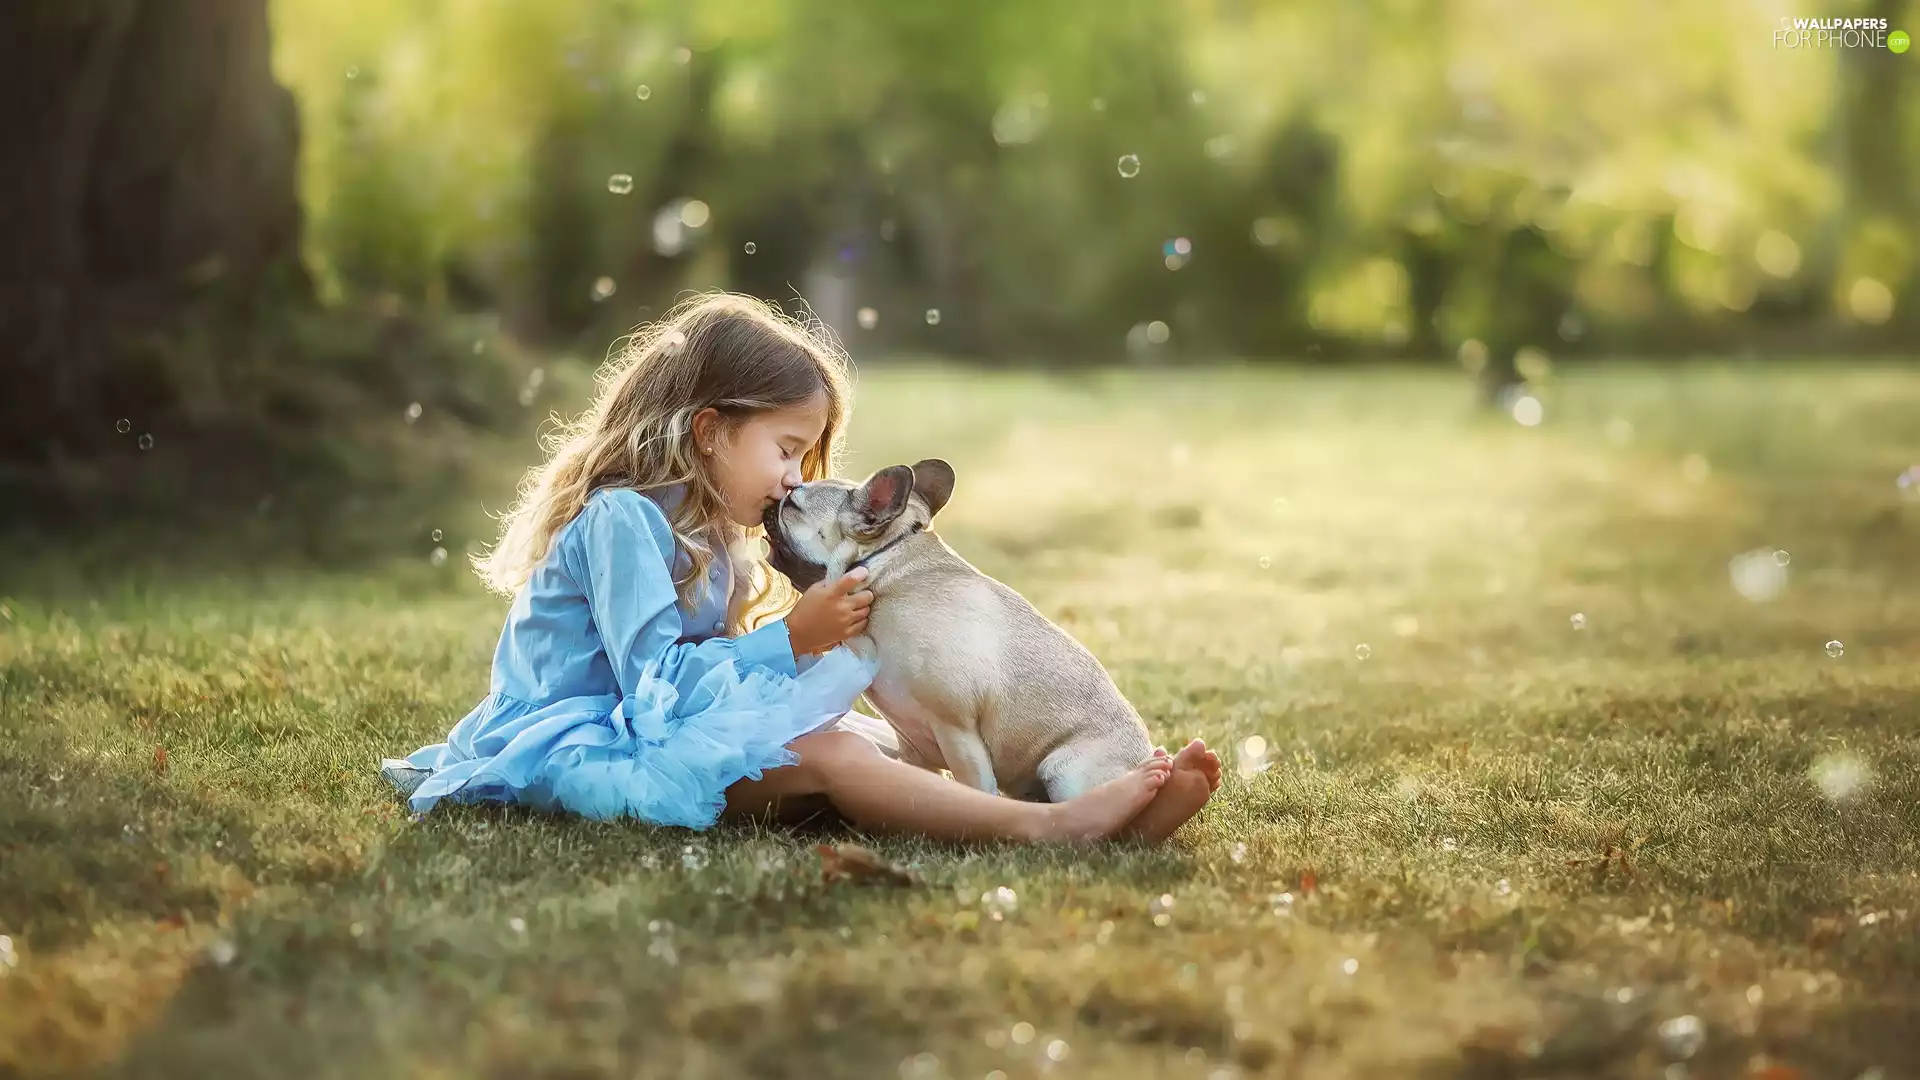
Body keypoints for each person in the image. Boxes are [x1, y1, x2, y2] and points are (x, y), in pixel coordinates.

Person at [385, 293, 1219, 842]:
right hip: (586, 746)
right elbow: (652, 689)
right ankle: (1045, 828)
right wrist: (789, 641)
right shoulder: (622, 523)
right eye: (787, 452)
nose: (796, 482)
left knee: (870, 744)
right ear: (709, 430)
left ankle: (1116, 824)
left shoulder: (706, 533)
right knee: (839, 758)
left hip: (656, 734)